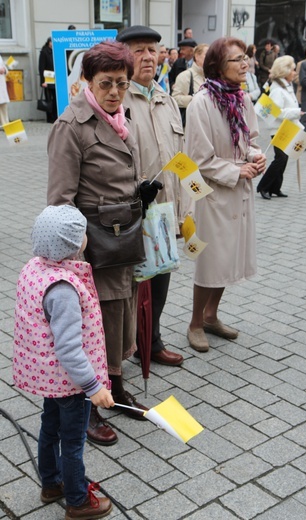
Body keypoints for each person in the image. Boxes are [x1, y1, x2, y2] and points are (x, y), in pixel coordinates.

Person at [47, 41, 159, 447]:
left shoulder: (119, 119)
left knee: (123, 317)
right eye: (106, 83)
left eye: (122, 84)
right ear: (87, 82)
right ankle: (88, 406)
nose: (115, 92)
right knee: (96, 326)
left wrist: (139, 195)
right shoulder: (71, 126)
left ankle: (116, 386)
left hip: (124, 240)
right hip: (92, 247)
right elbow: (59, 201)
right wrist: (71, 263)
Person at [12, 205, 114, 519]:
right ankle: (77, 500)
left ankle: (51, 483)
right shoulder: (63, 289)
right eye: (82, 232)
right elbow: (69, 349)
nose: (86, 236)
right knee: (72, 442)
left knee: (49, 429)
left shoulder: (35, 267)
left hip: (50, 378)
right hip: (71, 382)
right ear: (72, 245)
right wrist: (93, 386)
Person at [184, 37, 266, 352]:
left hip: (239, 193)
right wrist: (236, 171)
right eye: (237, 59)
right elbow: (197, 159)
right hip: (212, 195)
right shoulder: (201, 103)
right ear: (218, 66)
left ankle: (211, 315)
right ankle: (194, 323)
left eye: (246, 57)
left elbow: (251, 140)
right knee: (211, 260)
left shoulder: (241, 99)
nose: (245, 64)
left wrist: (256, 156)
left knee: (229, 256)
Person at [116, 25, 190, 367]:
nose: (148, 56)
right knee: (128, 288)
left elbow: (181, 157)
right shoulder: (116, 100)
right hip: (130, 212)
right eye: (139, 50)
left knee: (161, 278)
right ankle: (122, 352)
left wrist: (186, 208)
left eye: (153, 50)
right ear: (123, 56)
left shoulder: (166, 99)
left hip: (163, 210)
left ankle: (152, 340)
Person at [256, 56, 301, 200]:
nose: (294, 73)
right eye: (293, 70)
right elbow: (276, 111)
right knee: (280, 159)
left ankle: (275, 188)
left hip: (287, 127)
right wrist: (296, 112)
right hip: (278, 129)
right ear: (285, 71)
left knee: (284, 158)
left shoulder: (286, 85)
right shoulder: (277, 89)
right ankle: (263, 186)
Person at [172, 43, 209, 126]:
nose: (210, 58)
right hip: (191, 126)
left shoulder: (210, 77)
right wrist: (194, 99)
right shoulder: (185, 76)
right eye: (206, 55)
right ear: (197, 56)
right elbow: (175, 99)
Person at [38, 37, 58, 123]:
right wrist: (43, 81)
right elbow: (41, 67)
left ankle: (55, 116)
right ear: (48, 42)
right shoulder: (44, 52)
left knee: (55, 98)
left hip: (55, 79)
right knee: (49, 99)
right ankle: (50, 118)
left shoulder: (56, 51)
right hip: (47, 79)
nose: (52, 44)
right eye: (51, 42)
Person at [0, 54, 10, 128]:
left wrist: (4, 70)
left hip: (1, 83)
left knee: (3, 104)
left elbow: (3, 66)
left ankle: (6, 123)